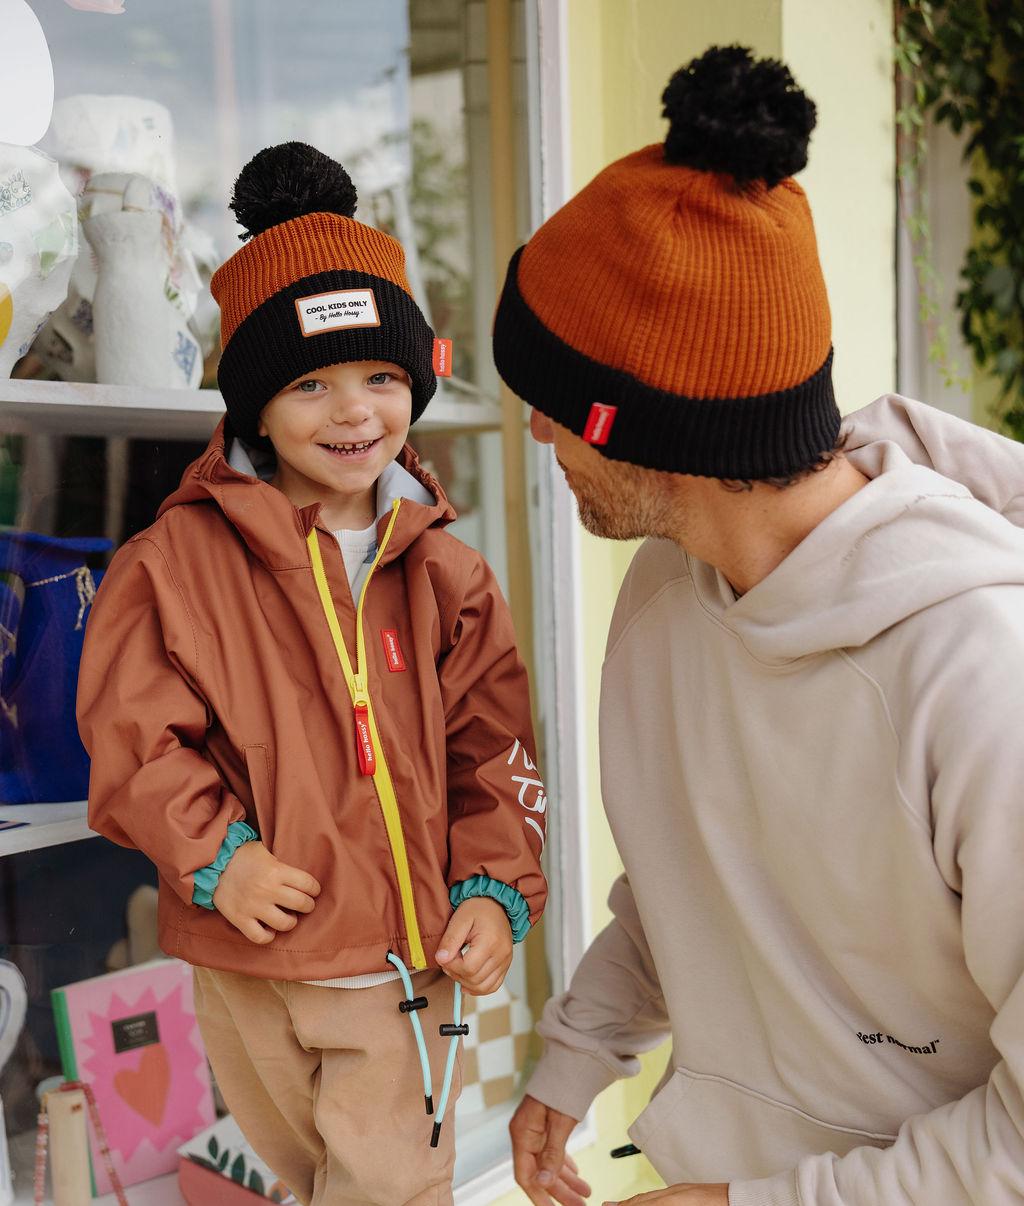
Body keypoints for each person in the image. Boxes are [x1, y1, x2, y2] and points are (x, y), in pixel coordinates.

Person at [493, 45, 1024, 1206]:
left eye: (552, 404)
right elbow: (701, 875)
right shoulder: (667, 589)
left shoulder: (978, 675)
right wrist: (580, 1050)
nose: (535, 436)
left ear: (645, 427)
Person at [77, 142, 547, 1206]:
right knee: (303, 1175)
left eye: (383, 378)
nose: (355, 414)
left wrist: (495, 886)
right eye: (310, 384)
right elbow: (134, 737)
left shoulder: (445, 571)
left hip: (397, 961)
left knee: (389, 1185)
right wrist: (215, 859)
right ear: (252, 404)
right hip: (246, 952)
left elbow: (496, 751)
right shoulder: (172, 565)